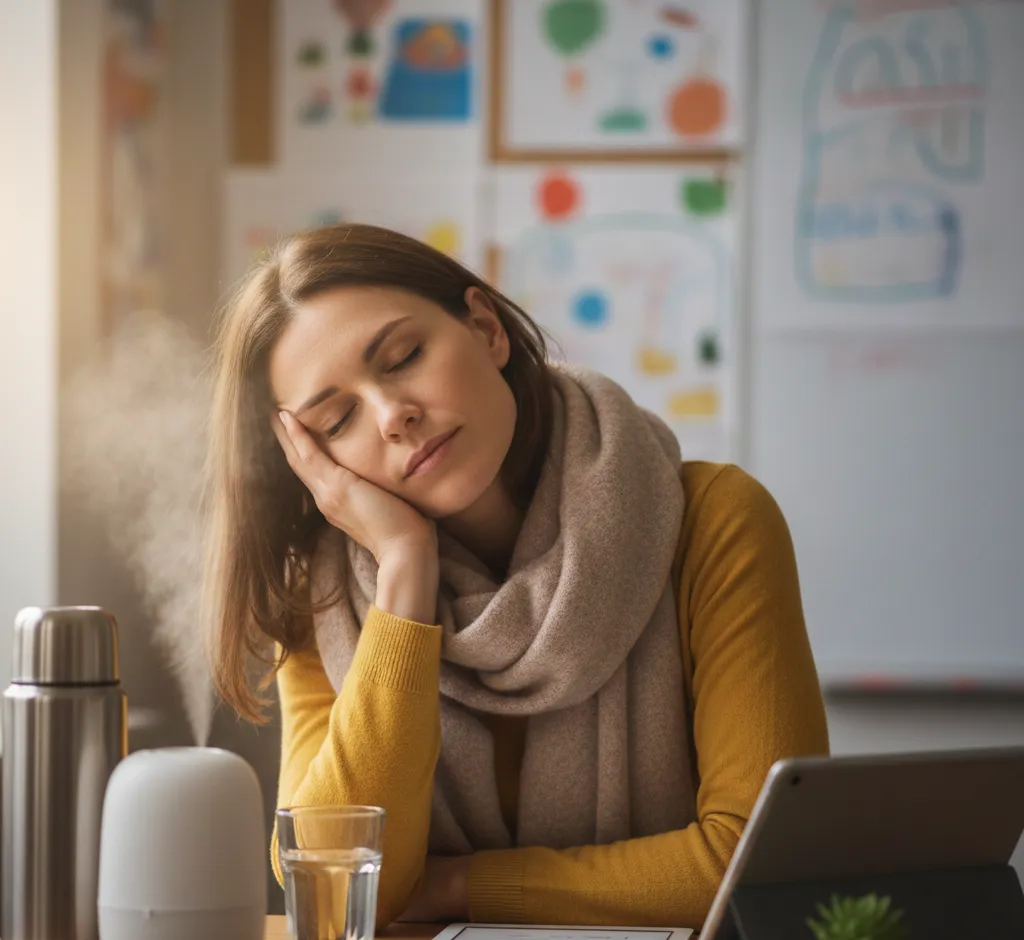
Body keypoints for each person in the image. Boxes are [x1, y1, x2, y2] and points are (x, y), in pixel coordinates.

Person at [203, 224, 829, 930]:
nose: (392, 415)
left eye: (405, 356)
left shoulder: (716, 522)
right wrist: (404, 574)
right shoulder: (323, 599)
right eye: (339, 418)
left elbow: (759, 862)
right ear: (311, 463)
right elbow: (334, 890)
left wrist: (460, 888)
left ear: (485, 328)